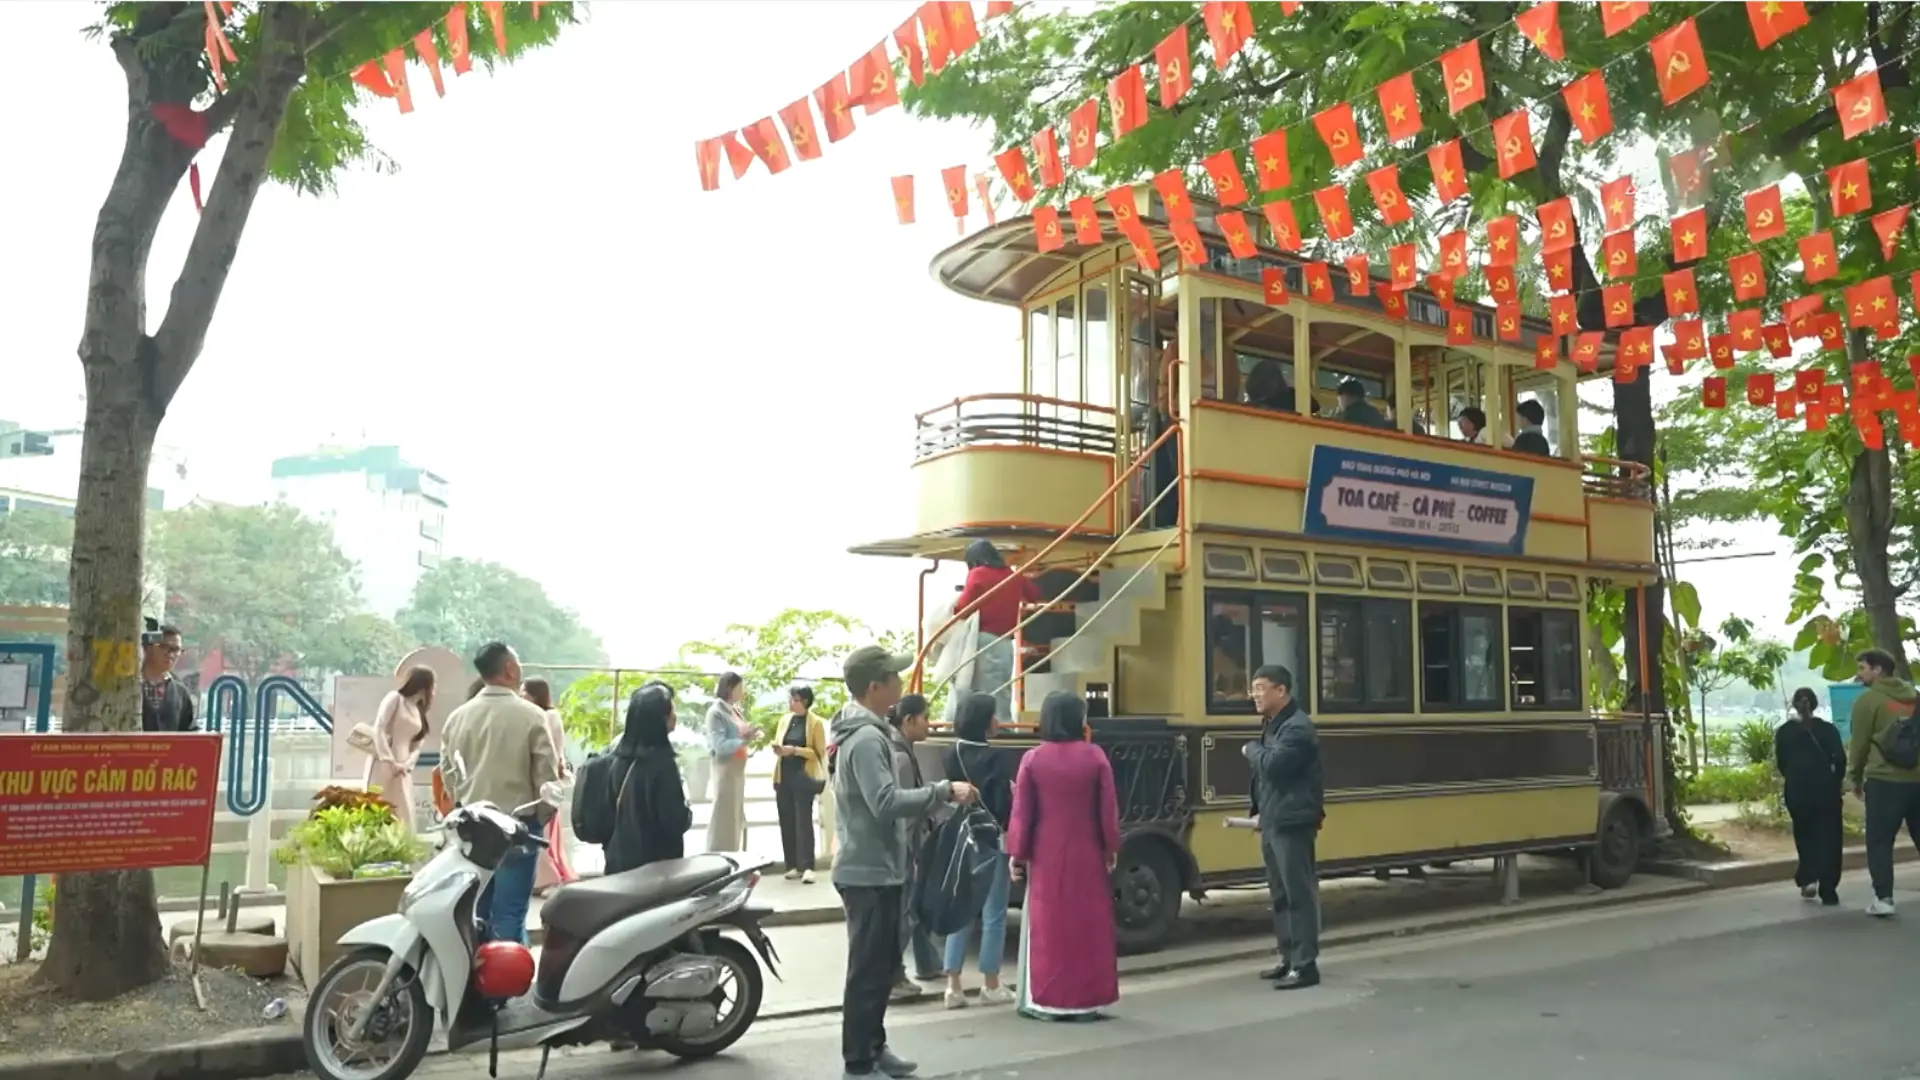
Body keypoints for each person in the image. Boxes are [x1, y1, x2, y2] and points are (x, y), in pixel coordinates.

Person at [830, 645, 976, 1080]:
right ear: (875, 687)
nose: (900, 683)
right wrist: (941, 791)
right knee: (868, 974)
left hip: (880, 867)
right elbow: (884, 801)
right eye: (893, 677)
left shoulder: (866, 732)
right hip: (867, 871)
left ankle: (875, 1049)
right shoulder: (868, 739)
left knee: (880, 970)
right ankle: (858, 1063)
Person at [1007, 692, 1121, 1022]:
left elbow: (1022, 814)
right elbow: (1107, 810)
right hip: (1087, 851)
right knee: (1087, 926)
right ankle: (1087, 1001)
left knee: (1049, 927)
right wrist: (1110, 848)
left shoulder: (1033, 759)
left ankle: (1047, 1001)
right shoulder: (1095, 757)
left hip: (1046, 855)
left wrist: (1018, 853)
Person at [440, 642, 559, 944]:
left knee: (477, 910)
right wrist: (540, 818)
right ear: (509, 668)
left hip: (473, 829)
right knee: (509, 913)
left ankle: (476, 980)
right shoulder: (532, 716)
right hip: (516, 829)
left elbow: (448, 776)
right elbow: (546, 778)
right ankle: (506, 986)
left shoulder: (458, 718)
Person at [1243, 664, 1324, 990]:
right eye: (1253, 688)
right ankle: (1289, 958)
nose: (1255, 695)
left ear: (1282, 691)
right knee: (1279, 895)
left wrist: (1251, 750)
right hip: (1275, 819)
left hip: (1293, 822)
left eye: (1261, 688)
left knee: (1298, 894)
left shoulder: (1298, 728)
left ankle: (1306, 965)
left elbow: (1274, 768)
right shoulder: (1275, 725)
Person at [940, 692, 1016, 1009]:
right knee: (994, 912)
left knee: (961, 910)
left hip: (961, 837)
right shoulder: (996, 758)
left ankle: (953, 986)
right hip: (990, 839)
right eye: (995, 716)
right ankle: (991, 983)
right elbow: (1002, 804)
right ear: (985, 721)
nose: (998, 721)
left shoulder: (951, 753)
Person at [1846, 648, 1920, 917]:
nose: (1860, 673)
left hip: (1885, 781)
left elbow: (1860, 744)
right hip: (1918, 781)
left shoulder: (1868, 701)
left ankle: (1884, 898)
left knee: (1879, 841)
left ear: (1878, 670)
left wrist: (1853, 777)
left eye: (1863, 668)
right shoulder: (1915, 697)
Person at [886, 693, 947, 1000]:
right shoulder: (899, 756)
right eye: (925, 717)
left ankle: (927, 963)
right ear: (908, 721)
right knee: (904, 911)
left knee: (912, 907)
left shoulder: (903, 749)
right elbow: (904, 808)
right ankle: (894, 977)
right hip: (904, 847)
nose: (930, 724)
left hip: (907, 845)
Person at [603, 682, 695, 874]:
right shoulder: (662, 764)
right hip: (656, 869)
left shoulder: (617, 759)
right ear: (658, 719)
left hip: (620, 863)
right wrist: (687, 810)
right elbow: (675, 820)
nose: (675, 715)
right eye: (671, 710)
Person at [953, 539, 1041, 724]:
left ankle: (988, 730)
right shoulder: (1012, 575)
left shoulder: (978, 574)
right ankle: (1004, 727)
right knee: (1001, 690)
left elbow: (962, 609)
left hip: (983, 640)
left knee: (977, 690)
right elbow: (1034, 594)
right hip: (1006, 643)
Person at [1776, 687, 1847, 906]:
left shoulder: (1784, 732)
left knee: (1805, 835)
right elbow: (1840, 760)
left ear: (1794, 705)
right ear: (1815, 704)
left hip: (1797, 791)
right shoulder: (1828, 730)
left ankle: (1808, 879)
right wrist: (1836, 782)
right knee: (1830, 839)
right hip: (1826, 791)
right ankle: (1829, 890)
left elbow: (1782, 763)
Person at [523, 678, 576, 893]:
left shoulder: (547, 716)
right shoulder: (543, 716)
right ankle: (545, 876)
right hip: (543, 780)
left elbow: (551, 751)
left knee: (543, 830)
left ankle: (547, 877)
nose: (521, 696)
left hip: (544, 781)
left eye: (524, 692)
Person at [774, 685, 829, 884]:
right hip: (784, 776)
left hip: (803, 775)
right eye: (790, 699)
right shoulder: (784, 720)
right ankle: (792, 865)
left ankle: (807, 866)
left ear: (804, 701)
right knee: (786, 820)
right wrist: (780, 750)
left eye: (794, 699)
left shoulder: (815, 723)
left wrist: (795, 750)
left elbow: (818, 752)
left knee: (803, 821)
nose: (791, 703)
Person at [368, 666, 434, 830]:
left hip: (403, 767)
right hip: (383, 762)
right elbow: (379, 728)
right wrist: (389, 760)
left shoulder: (418, 710)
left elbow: (417, 746)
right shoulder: (395, 698)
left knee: (403, 810)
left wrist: (407, 764)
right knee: (380, 805)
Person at [705, 671, 754, 854]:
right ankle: (718, 855)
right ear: (730, 688)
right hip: (725, 771)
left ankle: (734, 854)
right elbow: (719, 746)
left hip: (738, 770)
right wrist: (743, 740)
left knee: (735, 817)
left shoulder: (735, 710)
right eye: (740, 688)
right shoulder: (716, 712)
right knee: (723, 817)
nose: (743, 692)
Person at [139, 621, 196, 733]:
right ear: (147, 647)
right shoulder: (126, 687)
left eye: (176, 650)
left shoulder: (180, 693)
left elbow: (189, 733)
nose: (170, 654)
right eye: (164, 647)